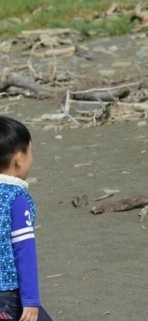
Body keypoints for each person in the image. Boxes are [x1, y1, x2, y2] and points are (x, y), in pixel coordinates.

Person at [0, 117, 52, 321]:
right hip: (9, 293)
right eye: (31, 152)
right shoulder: (16, 199)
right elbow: (25, 251)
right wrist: (30, 300)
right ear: (19, 158)